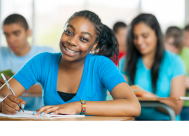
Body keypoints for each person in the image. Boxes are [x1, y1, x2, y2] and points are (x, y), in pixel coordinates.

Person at [0, 11, 141, 118]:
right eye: (68, 32)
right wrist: (3, 104)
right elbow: (3, 95)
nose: (72, 41)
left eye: (84, 39)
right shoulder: (42, 61)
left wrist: (78, 106)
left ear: (94, 45)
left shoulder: (101, 65)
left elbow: (133, 106)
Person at [119, 14, 186, 121]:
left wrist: (153, 99)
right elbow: (119, 99)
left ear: (157, 35)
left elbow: (176, 108)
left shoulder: (174, 61)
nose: (139, 42)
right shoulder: (126, 61)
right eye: (135, 37)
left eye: (145, 36)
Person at [0, 14, 55, 111]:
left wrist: (19, 83)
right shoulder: (1, 53)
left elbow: (57, 88)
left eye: (16, 33)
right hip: (8, 113)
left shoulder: (46, 55)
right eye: (6, 35)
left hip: (39, 113)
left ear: (28, 32)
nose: (11, 40)